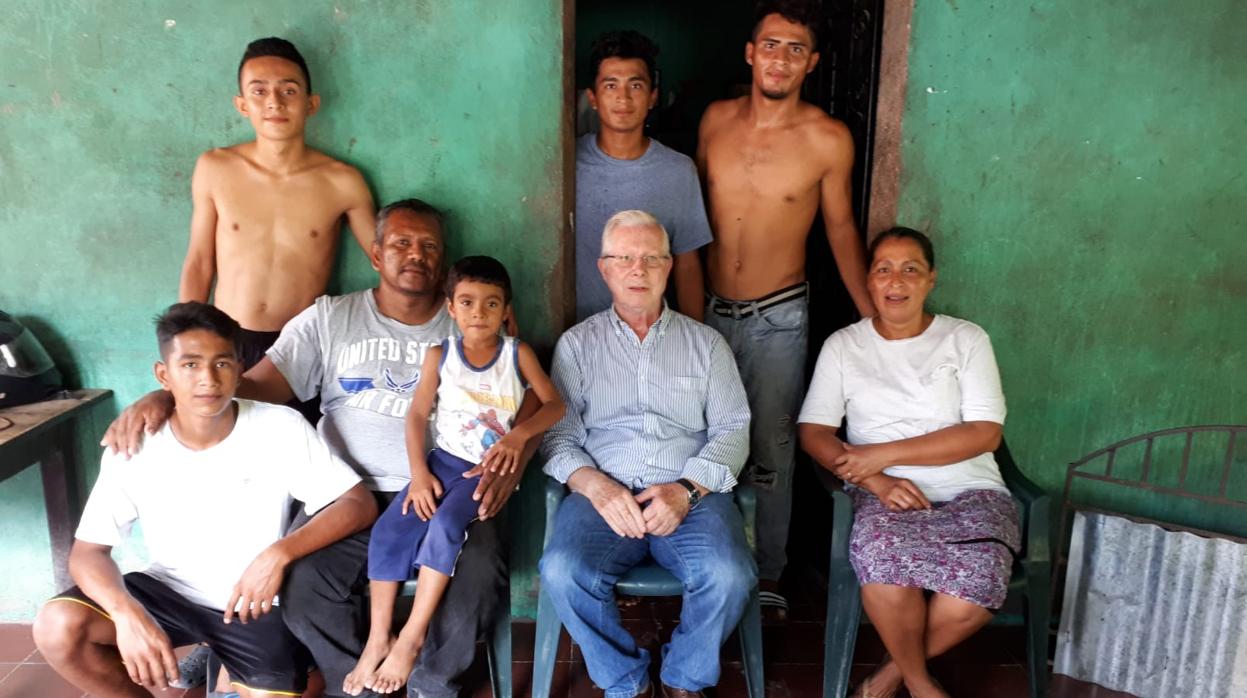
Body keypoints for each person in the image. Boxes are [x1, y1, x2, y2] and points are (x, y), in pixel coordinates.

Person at [101, 200, 527, 698]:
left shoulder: (470, 317)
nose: (416, 254)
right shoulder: (330, 318)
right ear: (376, 254)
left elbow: (523, 398)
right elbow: (251, 387)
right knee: (303, 586)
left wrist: (514, 461)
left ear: (443, 258)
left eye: (429, 245)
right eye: (401, 243)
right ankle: (360, 684)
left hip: (448, 489)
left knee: (478, 574)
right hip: (344, 497)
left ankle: (433, 686)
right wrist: (166, 396)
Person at [32, 302, 377, 698]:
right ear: (163, 375)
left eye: (222, 363)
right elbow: (87, 552)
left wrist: (278, 554)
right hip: (168, 591)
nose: (208, 379)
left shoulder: (279, 427)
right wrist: (127, 615)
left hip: (253, 604)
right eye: (190, 365)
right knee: (58, 626)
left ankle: (272, 666)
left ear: (240, 369)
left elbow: (357, 504)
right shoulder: (134, 444)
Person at [695, 0, 877, 619]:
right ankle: (708, 562)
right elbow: (690, 222)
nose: (781, 58)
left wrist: (873, 320)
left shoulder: (827, 138)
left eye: (795, 49)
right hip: (708, 310)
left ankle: (768, 571)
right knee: (702, 435)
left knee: (772, 448)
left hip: (779, 316)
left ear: (812, 63)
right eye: (771, 45)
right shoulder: (715, 121)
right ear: (751, 53)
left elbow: (841, 230)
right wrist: (683, 316)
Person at [539, 210, 755, 698]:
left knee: (729, 576)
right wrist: (597, 487)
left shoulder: (707, 345)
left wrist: (686, 491)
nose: (638, 269)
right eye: (624, 258)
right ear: (604, 269)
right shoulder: (577, 345)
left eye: (651, 258)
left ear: (668, 266)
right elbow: (557, 438)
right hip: (603, 497)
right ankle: (626, 682)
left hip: (691, 496)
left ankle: (683, 678)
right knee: (562, 570)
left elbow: (733, 430)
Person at [797, 227, 1020, 698]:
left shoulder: (965, 339)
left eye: (910, 269)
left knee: (973, 590)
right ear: (869, 280)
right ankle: (921, 685)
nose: (895, 281)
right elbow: (814, 432)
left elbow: (985, 433)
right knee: (885, 572)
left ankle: (890, 678)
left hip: (971, 490)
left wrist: (885, 453)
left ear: (930, 279)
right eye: (883, 269)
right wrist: (876, 480)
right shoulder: (844, 346)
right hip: (883, 494)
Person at [345, 256, 564, 695]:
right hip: (442, 462)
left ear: (506, 310)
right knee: (390, 528)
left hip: (485, 470)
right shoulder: (439, 356)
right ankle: (379, 638)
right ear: (450, 307)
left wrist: (516, 438)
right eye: (467, 302)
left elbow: (555, 404)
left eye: (491, 304)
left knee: (446, 525)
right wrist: (419, 473)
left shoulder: (516, 354)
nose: (478, 313)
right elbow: (416, 416)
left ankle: (412, 637)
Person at [180, 37, 375, 369]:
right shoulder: (215, 169)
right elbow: (199, 262)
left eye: (289, 91)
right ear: (242, 105)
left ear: (311, 104)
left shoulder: (343, 181)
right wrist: (185, 344)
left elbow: (384, 260)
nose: (274, 102)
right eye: (259, 91)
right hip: (228, 340)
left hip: (304, 343)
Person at [575, 30, 713, 322]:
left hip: (651, 335)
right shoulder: (567, 165)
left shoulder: (678, 171)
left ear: (652, 97)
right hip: (577, 331)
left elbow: (687, 265)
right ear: (593, 98)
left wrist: (695, 337)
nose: (623, 97)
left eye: (635, 85)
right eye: (610, 85)